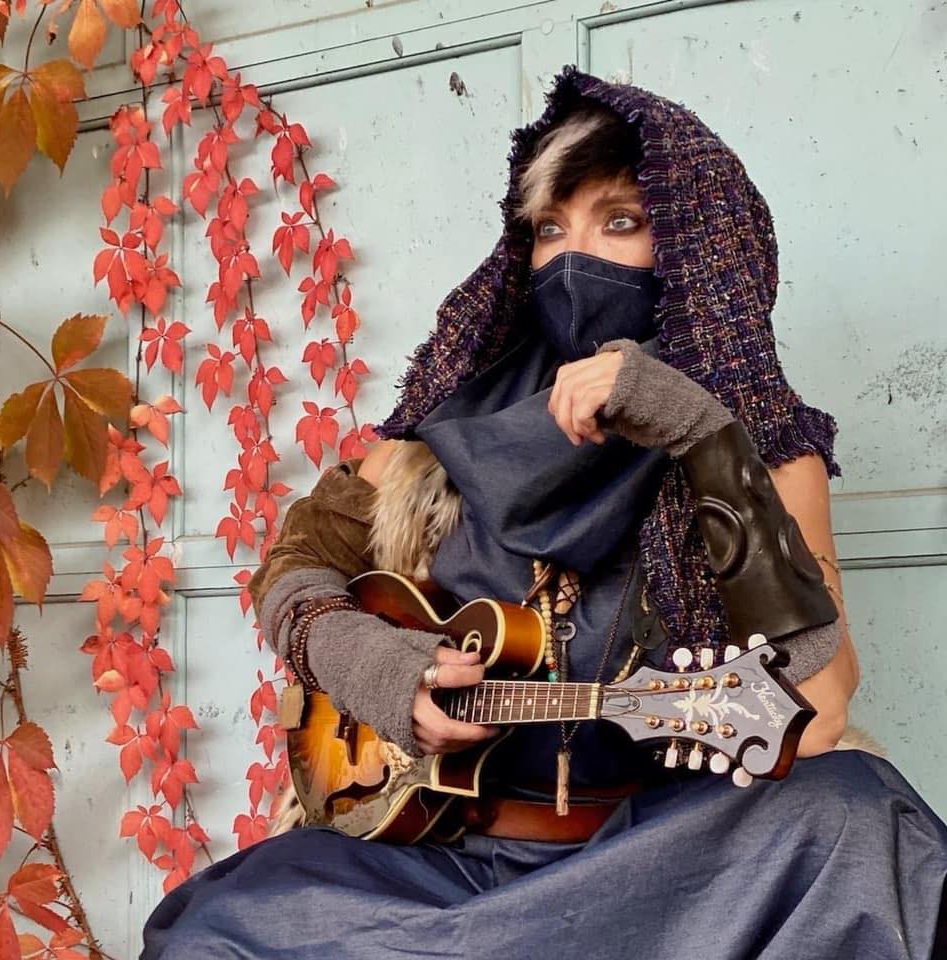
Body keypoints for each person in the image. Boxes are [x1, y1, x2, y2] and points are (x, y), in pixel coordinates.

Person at [140, 65, 947, 960]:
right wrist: (365, 659)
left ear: (698, 247)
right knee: (215, 927)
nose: (572, 259)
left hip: (659, 865)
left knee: (863, 821)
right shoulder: (435, 439)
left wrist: (700, 432)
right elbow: (296, 564)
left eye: (621, 221)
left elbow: (818, 711)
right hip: (445, 862)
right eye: (549, 229)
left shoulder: (767, 452)